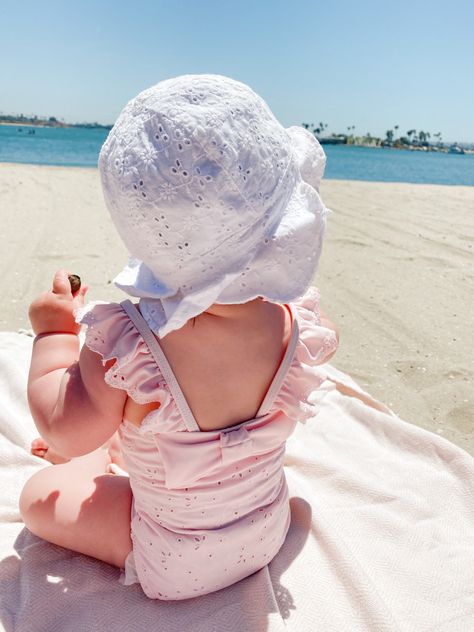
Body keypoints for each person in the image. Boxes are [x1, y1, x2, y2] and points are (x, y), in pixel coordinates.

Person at [19, 74, 340, 600]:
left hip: (173, 562)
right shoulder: (295, 321)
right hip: (266, 530)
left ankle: (104, 460)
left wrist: (53, 335)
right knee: (142, 419)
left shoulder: (133, 344)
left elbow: (64, 429)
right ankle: (126, 448)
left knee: (40, 496)